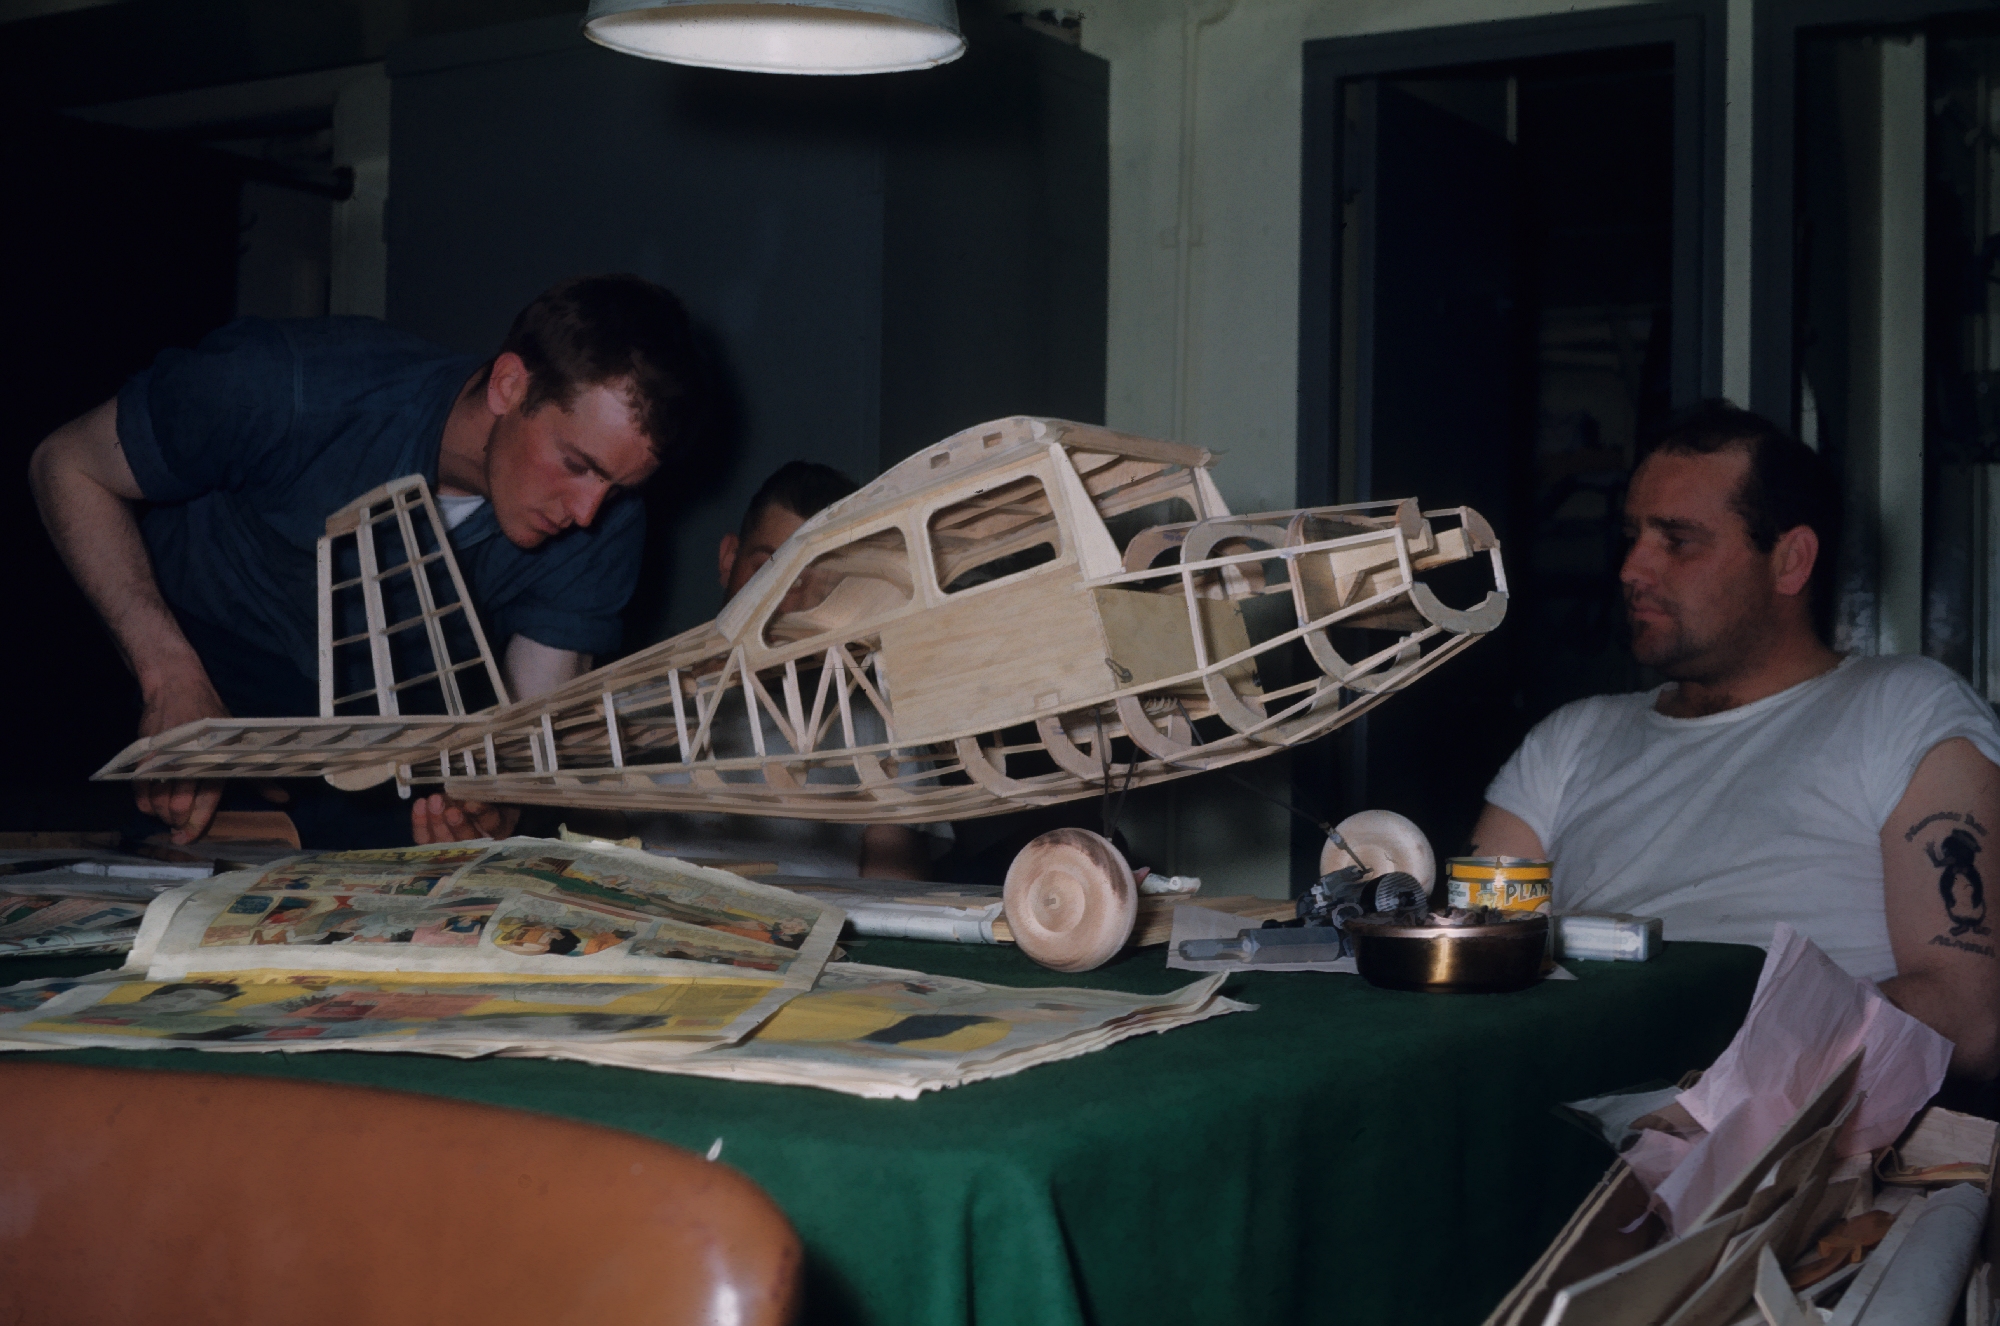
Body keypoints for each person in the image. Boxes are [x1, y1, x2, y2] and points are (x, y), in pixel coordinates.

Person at [31, 274, 708, 849]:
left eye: (617, 486)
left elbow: (527, 738)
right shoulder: (287, 386)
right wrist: (165, 673)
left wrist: (501, 803)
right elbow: (66, 465)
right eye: (576, 464)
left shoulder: (606, 525)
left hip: (373, 741)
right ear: (509, 385)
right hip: (171, 662)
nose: (588, 513)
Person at [1470, 402, 2000, 1080]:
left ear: (1790, 561)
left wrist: (1722, 1080)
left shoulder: (1904, 708)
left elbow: (1967, 1018)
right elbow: (1476, 949)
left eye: (1678, 540)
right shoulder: (1572, 737)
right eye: (1632, 535)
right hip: (1566, 1103)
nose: (1633, 568)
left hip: (1783, 1144)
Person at [634, 461, 945, 879]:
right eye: (767, 571)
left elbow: (896, 884)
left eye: (821, 585)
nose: (788, 603)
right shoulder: (633, 699)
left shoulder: (880, 713)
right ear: (728, 558)